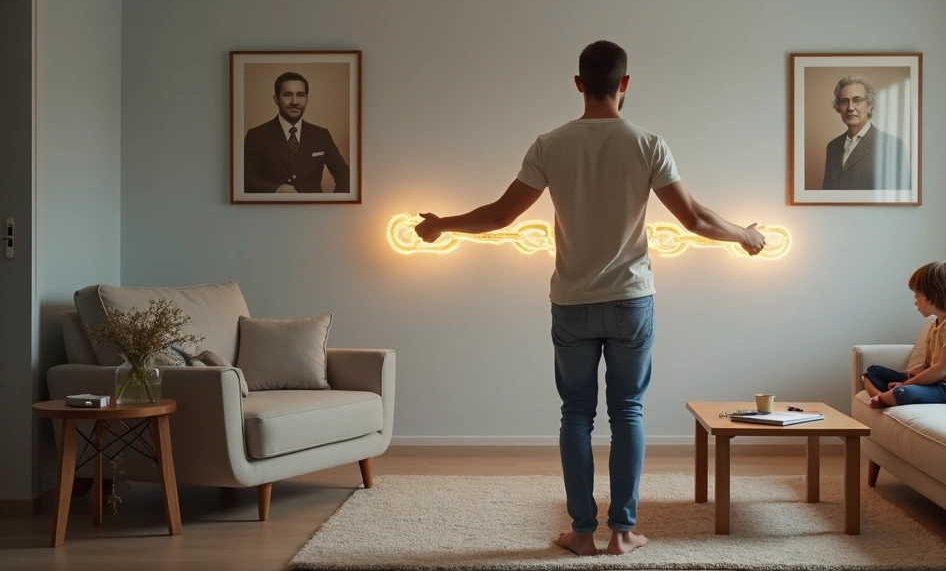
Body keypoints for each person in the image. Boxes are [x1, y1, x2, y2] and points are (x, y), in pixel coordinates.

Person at [413, 40, 766, 557]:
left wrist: (442, 224)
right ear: (625, 84)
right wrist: (746, 235)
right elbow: (696, 219)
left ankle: (581, 532)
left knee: (576, 414)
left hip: (572, 303)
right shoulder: (649, 144)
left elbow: (500, 215)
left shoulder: (549, 145)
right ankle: (623, 532)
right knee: (628, 412)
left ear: (579, 83)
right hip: (631, 301)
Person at [861, 261, 946, 409]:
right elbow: (927, 366)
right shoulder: (936, 324)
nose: (915, 301)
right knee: (872, 372)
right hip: (935, 382)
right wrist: (907, 374)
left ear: (933, 296)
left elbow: (940, 370)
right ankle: (884, 398)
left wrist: (905, 384)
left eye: (917, 295)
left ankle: (885, 398)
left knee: (903, 392)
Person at [243, 72, 350, 194]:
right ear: (276, 99)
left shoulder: (321, 135)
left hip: (313, 211)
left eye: (301, 95)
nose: (295, 101)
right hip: (271, 211)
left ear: (307, 99)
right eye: (287, 95)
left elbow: (344, 175)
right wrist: (275, 190)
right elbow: (246, 180)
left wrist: (334, 205)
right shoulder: (256, 135)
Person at [816, 76, 911, 191]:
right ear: (839, 107)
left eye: (857, 100)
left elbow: (902, 197)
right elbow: (826, 195)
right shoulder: (832, 146)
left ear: (869, 106)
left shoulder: (893, 146)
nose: (850, 108)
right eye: (844, 101)